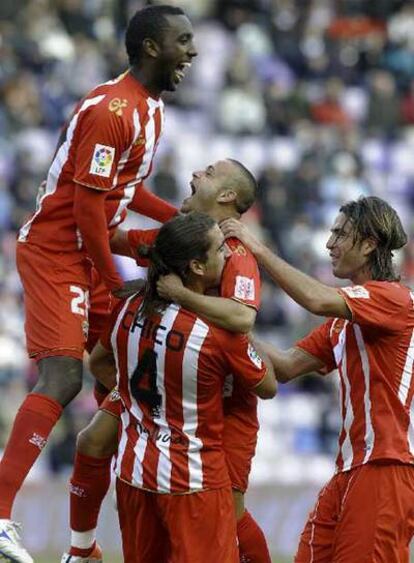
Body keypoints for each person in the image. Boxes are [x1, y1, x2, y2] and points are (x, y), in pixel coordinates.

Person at [0, 6, 197, 562]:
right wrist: (115, 284)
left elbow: (124, 195)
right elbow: (87, 210)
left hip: (92, 250)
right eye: (183, 40)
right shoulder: (114, 109)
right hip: (58, 251)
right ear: (151, 47)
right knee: (62, 376)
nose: (193, 51)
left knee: (129, 373)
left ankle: (81, 548)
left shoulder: (151, 110)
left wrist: (179, 220)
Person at [62, 159, 273, 563]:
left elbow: (242, 317)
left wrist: (182, 295)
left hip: (220, 399)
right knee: (92, 439)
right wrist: (101, 191)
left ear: (227, 195)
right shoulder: (173, 239)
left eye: (208, 173)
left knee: (229, 510)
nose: (195, 174)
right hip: (162, 383)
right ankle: (81, 549)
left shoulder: (234, 253)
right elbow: (108, 237)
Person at [221, 196, 414, 562]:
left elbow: (315, 299)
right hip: (349, 471)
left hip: (385, 469)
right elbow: (286, 365)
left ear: (370, 243)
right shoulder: (344, 323)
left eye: (340, 234)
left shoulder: (395, 299)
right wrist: (225, 322)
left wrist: (258, 249)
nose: (329, 244)